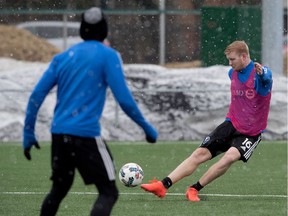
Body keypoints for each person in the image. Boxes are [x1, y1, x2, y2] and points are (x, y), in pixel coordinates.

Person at [23, 7, 158, 216]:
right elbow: (124, 100)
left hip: (59, 135)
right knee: (108, 192)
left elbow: (36, 97)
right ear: (104, 30)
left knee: (58, 190)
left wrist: (28, 133)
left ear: (82, 30)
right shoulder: (108, 56)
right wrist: (147, 128)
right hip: (85, 136)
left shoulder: (63, 57)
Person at [141, 40, 272, 202]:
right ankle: (162, 185)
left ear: (244, 56)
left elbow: (266, 77)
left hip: (251, 133)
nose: (229, 63)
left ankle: (194, 188)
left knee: (230, 157)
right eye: (228, 59)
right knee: (199, 154)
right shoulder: (233, 73)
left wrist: (262, 73)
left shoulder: (260, 75)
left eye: (232, 59)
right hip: (231, 123)